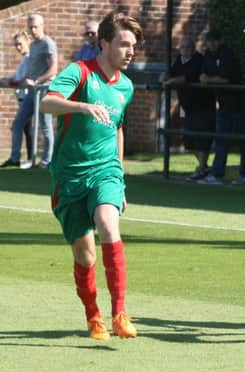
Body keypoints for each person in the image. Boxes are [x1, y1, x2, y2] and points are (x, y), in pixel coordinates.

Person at [40, 11, 144, 340]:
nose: (130, 51)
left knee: (108, 225)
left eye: (133, 45)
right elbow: (47, 102)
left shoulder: (126, 86)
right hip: (69, 176)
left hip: (105, 171)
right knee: (85, 254)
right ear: (104, 43)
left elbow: (118, 129)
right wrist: (82, 107)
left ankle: (120, 314)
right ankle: (93, 316)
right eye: (124, 44)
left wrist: (121, 178)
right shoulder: (80, 72)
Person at [2, 14, 57, 168]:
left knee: (45, 127)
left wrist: (36, 81)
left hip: (44, 90)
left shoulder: (48, 44)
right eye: (30, 27)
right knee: (18, 123)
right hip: (32, 92)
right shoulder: (33, 46)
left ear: (42, 26)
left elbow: (53, 70)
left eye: (35, 27)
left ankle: (47, 161)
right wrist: (16, 80)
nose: (33, 30)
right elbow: (31, 71)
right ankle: (14, 159)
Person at [199, 30, 245, 185]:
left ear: (220, 40)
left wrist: (208, 79)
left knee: (244, 139)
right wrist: (205, 78)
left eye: (214, 40)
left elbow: (225, 78)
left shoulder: (227, 54)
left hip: (239, 102)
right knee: (221, 138)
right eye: (209, 41)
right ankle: (217, 174)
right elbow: (203, 75)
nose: (211, 44)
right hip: (224, 103)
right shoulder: (208, 55)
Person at [161, 35, 216, 181]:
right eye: (184, 47)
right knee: (189, 141)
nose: (186, 50)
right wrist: (165, 76)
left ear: (194, 48)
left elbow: (189, 77)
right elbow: (172, 73)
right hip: (188, 107)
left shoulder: (199, 59)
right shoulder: (179, 60)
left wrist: (171, 80)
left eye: (189, 47)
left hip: (203, 106)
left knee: (202, 140)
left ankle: (202, 168)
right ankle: (204, 167)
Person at [0, 31, 34, 169]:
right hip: (21, 98)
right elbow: (18, 77)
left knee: (24, 128)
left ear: (27, 42)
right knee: (25, 128)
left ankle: (26, 159)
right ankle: (24, 158)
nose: (18, 47)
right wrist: (8, 80)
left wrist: (11, 82)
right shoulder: (24, 59)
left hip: (28, 97)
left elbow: (25, 79)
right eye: (16, 45)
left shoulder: (30, 58)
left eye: (20, 44)